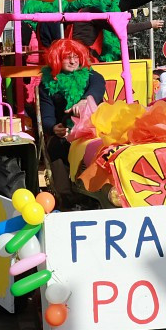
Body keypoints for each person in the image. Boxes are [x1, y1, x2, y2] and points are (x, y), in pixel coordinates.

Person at [38, 38, 107, 206]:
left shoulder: (91, 75)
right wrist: (55, 128)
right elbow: (46, 118)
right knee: (56, 146)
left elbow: (98, 86)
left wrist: (85, 100)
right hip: (67, 134)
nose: (73, 61)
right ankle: (67, 196)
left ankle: (104, 189)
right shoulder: (46, 85)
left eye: (76, 56)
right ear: (56, 60)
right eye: (67, 57)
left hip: (95, 129)